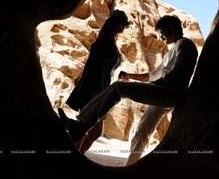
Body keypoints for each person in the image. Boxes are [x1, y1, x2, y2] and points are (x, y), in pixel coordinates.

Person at [59, 15, 198, 158]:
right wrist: (131, 76)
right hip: (165, 94)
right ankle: (131, 164)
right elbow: (153, 75)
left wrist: (152, 85)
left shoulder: (185, 44)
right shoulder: (175, 48)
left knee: (119, 88)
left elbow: (176, 76)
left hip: (169, 93)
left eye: (162, 32)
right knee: (142, 131)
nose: (160, 36)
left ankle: (81, 124)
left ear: (172, 29)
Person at [60, 9, 130, 154]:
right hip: (94, 88)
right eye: (123, 23)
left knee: (89, 130)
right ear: (115, 23)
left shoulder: (109, 39)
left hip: (101, 88)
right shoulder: (104, 41)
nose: (124, 27)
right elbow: (94, 68)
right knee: (89, 130)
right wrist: (96, 93)